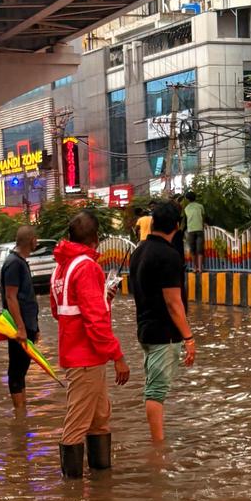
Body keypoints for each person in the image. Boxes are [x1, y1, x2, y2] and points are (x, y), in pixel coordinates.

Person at [50, 210, 129, 478]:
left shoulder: (61, 267)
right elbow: (95, 321)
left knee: (99, 420)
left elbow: (60, 310)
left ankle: (100, 485)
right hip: (86, 359)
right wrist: (118, 356)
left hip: (80, 357)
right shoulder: (86, 267)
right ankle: (72, 498)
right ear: (95, 238)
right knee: (77, 424)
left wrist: (103, 296)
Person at [127, 199, 196, 444]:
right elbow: (173, 302)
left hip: (145, 329)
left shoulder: (139, 252)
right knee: (155, 392)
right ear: (176, 226)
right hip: (163, 333)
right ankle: (158, 447)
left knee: (154, 387)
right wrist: (189, 337)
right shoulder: (168, 256)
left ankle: (159, 438)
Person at [1, 224, 40, 417]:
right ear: (31, 240)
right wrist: (21, 328)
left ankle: (23, 409)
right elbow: (11, 297)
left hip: (28, 326)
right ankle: (19, 413)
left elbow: (27, 297)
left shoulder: (20, 261)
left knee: (22, 370)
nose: (37, 242)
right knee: (16, 370)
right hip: (19, 329)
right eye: (36, 239)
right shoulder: (13, 263)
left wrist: (36, 327)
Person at [182, 190, 206, 271]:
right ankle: (200, 268)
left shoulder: (186, 208)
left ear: (187, 199)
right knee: (200, 249)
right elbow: (203, 217)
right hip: (199, 229)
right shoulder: (200, 206)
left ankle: (195, 267)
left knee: (192, 250)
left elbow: (185, 220)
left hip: (190, 230)